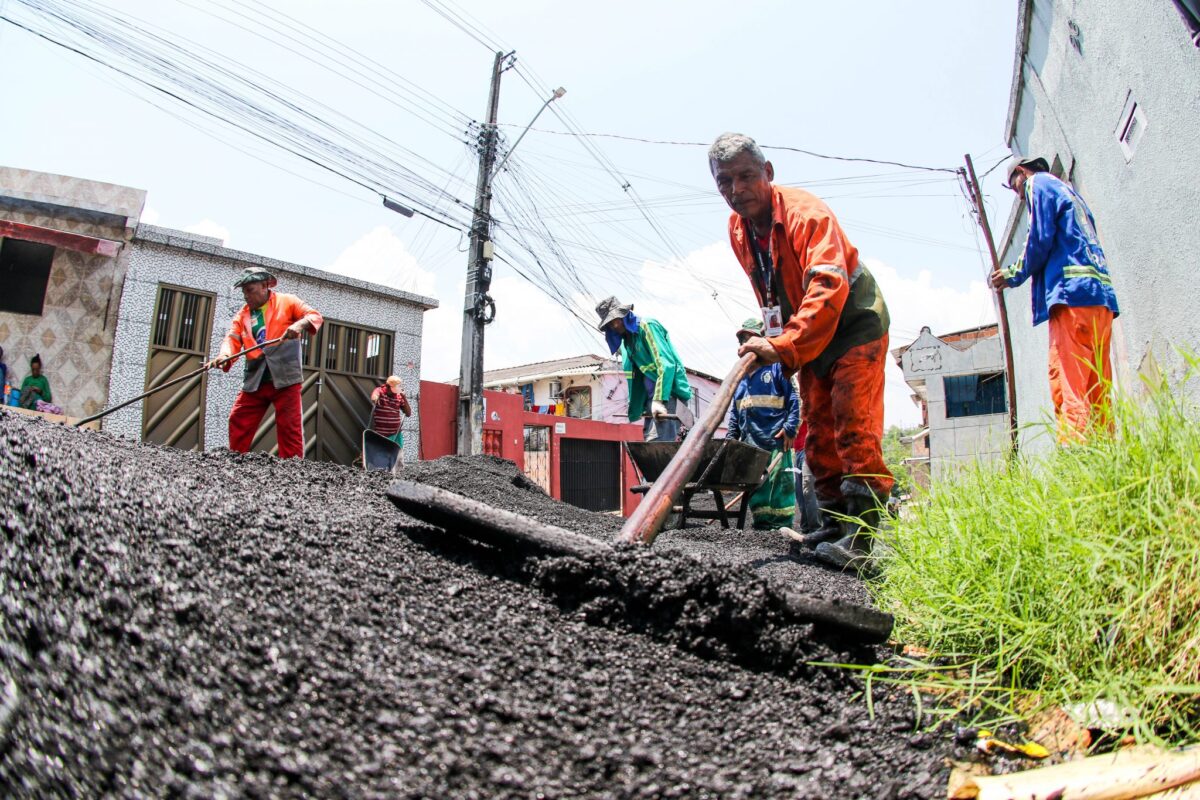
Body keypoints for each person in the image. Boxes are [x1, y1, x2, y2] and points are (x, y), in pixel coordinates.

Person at [708, 132, 893, 571]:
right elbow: (769, 291)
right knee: (821, 432)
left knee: (853, 424)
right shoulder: (739, 229)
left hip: (852, 323)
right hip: (808, 338)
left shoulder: (806, 214)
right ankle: (833, 524)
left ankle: (861, 541)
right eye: (724, 182)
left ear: (768, 174)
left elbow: (829, 285)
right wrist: (784, 345)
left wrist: (785, 344)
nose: (737, 190)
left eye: (747, 176)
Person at [991, 156, 1120, 442]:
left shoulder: (1038, 184)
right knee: (1097, 389)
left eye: (1015, 188)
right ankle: (1108, 458)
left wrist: (1012, 273)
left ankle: (1078, 463)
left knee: (1069, 387)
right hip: (1100, 301)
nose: (1019, 196)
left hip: (1072, 299)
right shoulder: (1072, 195)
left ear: (1022, 173)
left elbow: (1038, 237)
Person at [208, 267, 323, 459]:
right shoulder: (243, 315)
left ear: (264, 285)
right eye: (244, 291)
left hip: (285, 375)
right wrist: (224, 356)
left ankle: (292, 467)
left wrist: (299, 324)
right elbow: (232, 339)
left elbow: (314, 316)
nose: (246, 295)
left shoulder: (288, 301)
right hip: (256, 377)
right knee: (239, 418)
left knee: (289, 426)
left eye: (249, 290)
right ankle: (236, 459)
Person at [727, 318, 800, 529]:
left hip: (774, 440)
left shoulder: (776, 368)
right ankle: (761, 526)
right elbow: (735, 412)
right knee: (757, 488)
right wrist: (732, 439)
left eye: (749, 338)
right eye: (742, 340)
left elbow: (794, 398)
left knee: (779, 484)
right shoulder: (740, 378)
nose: (745, 344)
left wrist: (790, 428)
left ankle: (781, 526)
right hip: (751, 444)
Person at [595, 295, 692, 442]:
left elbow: (666, 364)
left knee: (658, 442)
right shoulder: (627, 342)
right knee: (649, 440)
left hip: (668, 394)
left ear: (624, 314)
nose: (615, 326)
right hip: (650, 399)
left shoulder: (647, 326)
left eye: (616, 320)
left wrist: (659, 400)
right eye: (611, 324)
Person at [792, 419, 820, 534]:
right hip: (798, 450)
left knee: (808, 490)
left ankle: (816, 529)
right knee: (800, 493)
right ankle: (806, 528)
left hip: (811, 448)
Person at [370, 375, 412, 449]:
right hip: (381, 434)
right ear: (389, 386)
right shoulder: (380, 391)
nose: (399, 389)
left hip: (395, 435)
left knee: (395, 457)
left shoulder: (399, 396)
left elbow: (408, 413)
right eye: (397, 387)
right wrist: (376, 398)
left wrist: (404, 398)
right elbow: (374, 396)